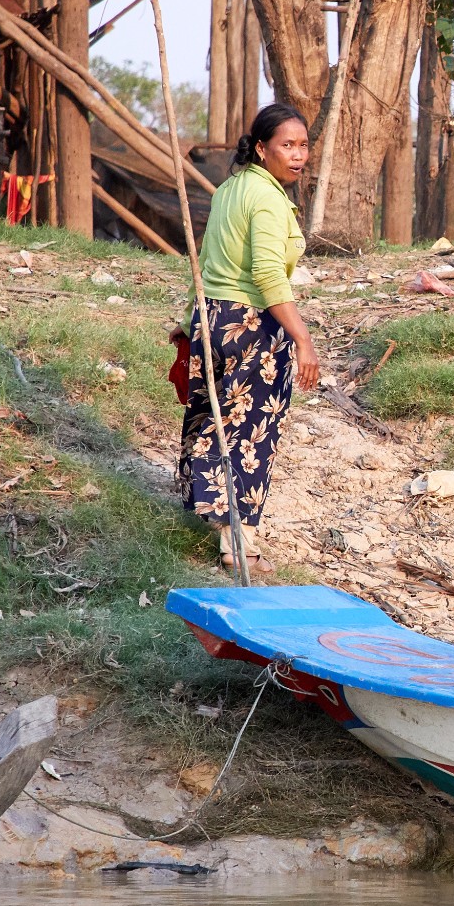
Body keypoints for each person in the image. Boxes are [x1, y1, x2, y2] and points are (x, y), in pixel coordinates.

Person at [174, 103, 319, 577]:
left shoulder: (229, 189)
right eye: (287, 146)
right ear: (261, 148)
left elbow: (211, 260)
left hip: (212, 319)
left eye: (302, 146)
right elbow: (265, 274)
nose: (298, 155)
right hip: (251, 325)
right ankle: (238, 542)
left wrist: (188, 320)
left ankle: (210, 515)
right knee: (250, 431)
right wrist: (302, 337)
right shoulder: (268, 200)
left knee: (214, 416)